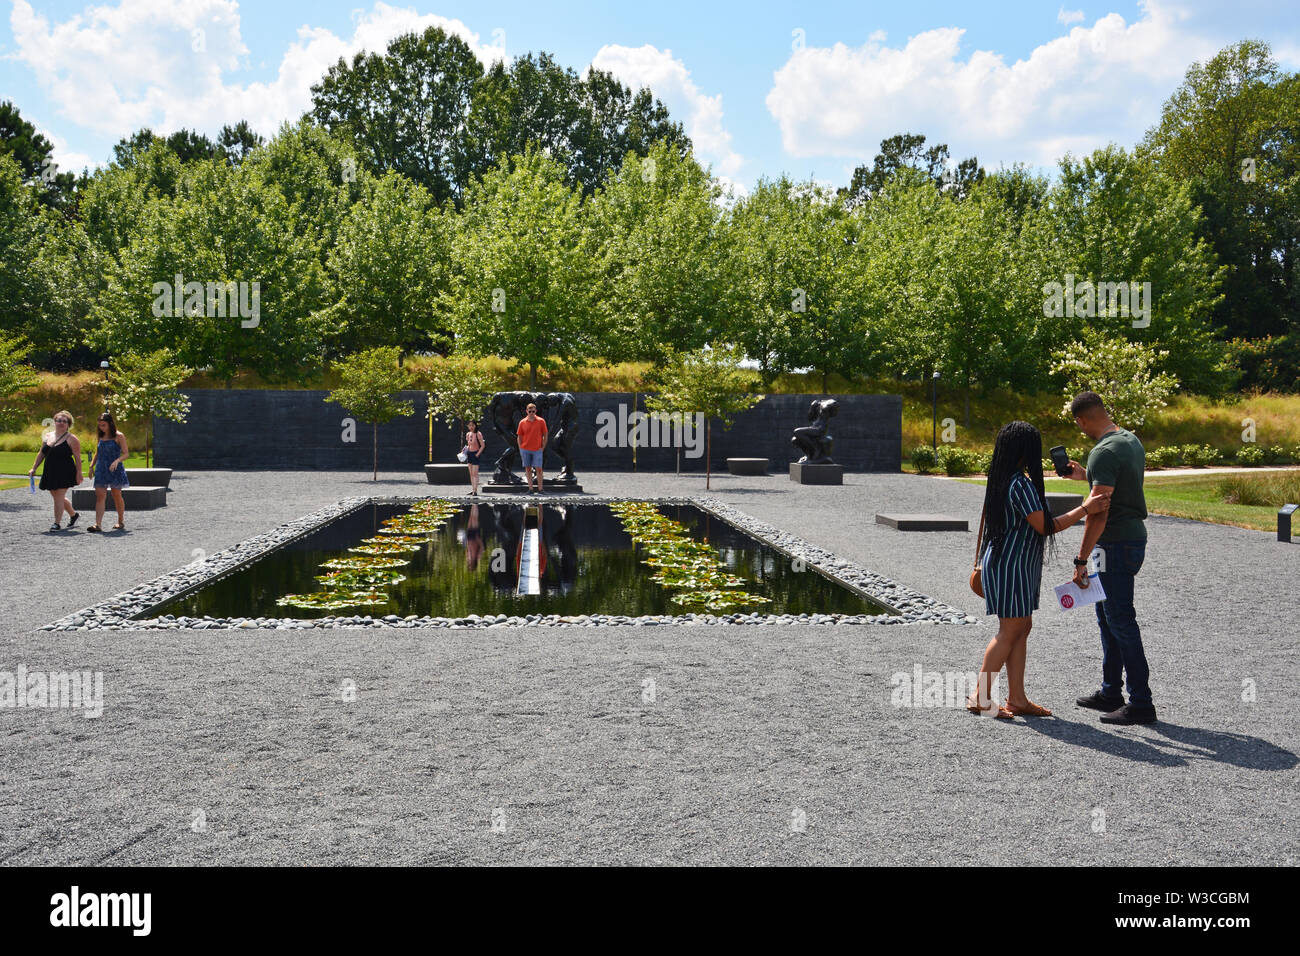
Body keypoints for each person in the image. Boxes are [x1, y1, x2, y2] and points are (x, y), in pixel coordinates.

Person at [969, 421, 1111, 719]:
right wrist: (1087, 508)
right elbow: (1044, 526)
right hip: (1012, 565)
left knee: (1021, 627)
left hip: (1011, 563)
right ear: (1026, 451)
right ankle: (980, 696)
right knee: (1009, 630)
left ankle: (1017, 698)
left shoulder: (1002, 479)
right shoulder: (1019, 483)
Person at [1062, 391, 1156, 725]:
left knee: (1120, 620)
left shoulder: (1102, 452)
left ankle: (1141, 703)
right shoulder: (1129, 440)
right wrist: (1084, 476)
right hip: (1130, 540)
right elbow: (1118, 483)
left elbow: (1098, 513)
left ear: (1081, 420)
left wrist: (1080, 558)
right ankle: (1110, 692)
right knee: (1107, 617)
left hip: (1114, 544)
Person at [28, 410, 82, 532]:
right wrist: (34, 467)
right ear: (54, 422)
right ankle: (74, 515)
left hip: (65, 470)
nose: (61, 423)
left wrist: (79, 473)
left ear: (68, 424)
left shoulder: (72, 439)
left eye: (64, 421)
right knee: (57, 496)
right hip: (50, 470)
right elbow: (42, 453)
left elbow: (78, 458)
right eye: (59, 420)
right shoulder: (48, 436)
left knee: (59, 496)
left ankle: (56, 523)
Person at [88, 411, 130, 532]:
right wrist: (91, 466)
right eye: (99, 425)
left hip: (115, 469)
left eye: (103, 425)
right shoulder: (101, 435)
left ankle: (120, 521)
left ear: (110, 424)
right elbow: (98, 451)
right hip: (101, 469)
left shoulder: (119, 436)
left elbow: (126, 454)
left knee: (116, 495)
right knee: (100, 496)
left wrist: (117, 461)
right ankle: (98, 524)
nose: (101, 428)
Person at [516, 402, 548, 494]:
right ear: (526, 411)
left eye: (533, 411)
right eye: (529, 411)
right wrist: (520, 448)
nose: (531, 413)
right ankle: (530, 489)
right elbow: (519, 436)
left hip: (537, 449)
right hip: (525, 449)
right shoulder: (522, 422)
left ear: (536, 411)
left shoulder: (541, 421)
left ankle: (540, 489)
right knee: (528, 469)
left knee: (539, 469)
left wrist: (543, 447)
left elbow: (545, 434)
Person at [463, 420, 485, 496]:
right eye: (469, 425)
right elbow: (469, 445)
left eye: (472, 425)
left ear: (475, 425)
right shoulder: (468, 434)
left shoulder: (478, 434)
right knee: (471, 474)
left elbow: (482, 446)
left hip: (475, 454)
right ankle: (473, 489)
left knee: (475, 473)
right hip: (469, 454)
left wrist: (477, 454)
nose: (471, 427)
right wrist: (465, 450)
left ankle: (475, 491)